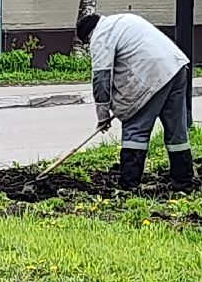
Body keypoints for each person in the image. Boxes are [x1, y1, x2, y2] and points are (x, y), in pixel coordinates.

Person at [76, 12, 192, 189]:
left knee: (135, 128)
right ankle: (183, 181)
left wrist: (102, 114)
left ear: (88, 37)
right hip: (177, 67)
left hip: (152, 75)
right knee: (177, 131)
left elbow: (101, 77)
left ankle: (128, 186)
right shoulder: (123, 20)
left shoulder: (100, 36)